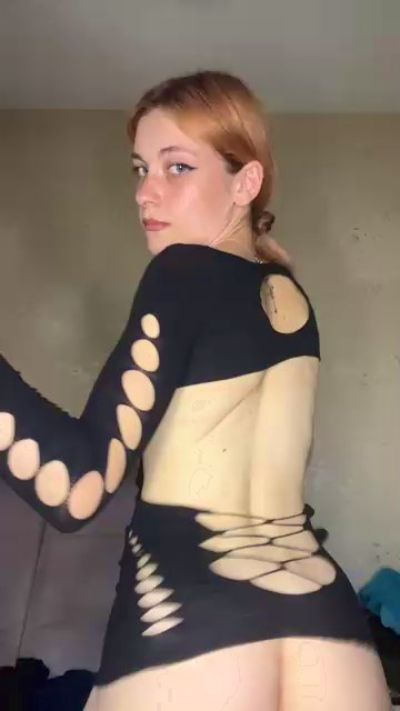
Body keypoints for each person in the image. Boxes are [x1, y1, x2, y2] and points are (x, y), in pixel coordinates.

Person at [0, 70, 391, 710]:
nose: (145, 192)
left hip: (191, 616)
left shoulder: (182, 272)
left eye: (176, 166)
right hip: (328, 622)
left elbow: (76, 489)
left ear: (245, 182)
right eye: (140, 169)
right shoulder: (288, 295)